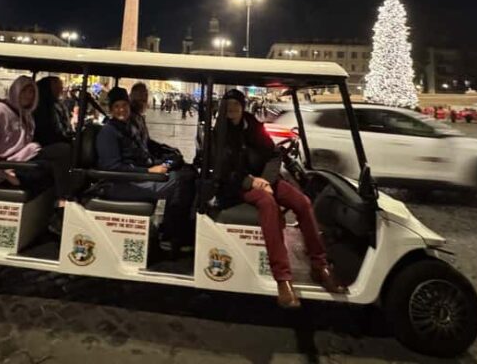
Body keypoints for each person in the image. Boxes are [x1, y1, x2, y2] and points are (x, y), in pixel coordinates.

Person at [213, 89, 346, 308]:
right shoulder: (220, 133)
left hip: (265, 180)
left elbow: (274, 154)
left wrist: (266, 180)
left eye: (236, 104)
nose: (232, 109)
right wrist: (252, 182)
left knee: (302, 202)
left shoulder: (253, 126)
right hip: (237, 185)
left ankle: (319, 264)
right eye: (229, 105)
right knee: (268, 204)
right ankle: (283, 278)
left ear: (243, 106)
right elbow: (223, 170)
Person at [96, 87, 195, 250]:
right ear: (111, 109)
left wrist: (166, 159)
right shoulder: (108, 132)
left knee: (187, 172)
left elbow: (144, 149)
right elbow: (112, 167)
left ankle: (174, 229)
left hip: (135, 176)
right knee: (180, 181)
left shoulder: (129, 126)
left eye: (124, 105)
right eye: (117, 107)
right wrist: (148, 172)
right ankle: (172, 236)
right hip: (120, 184)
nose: (122, 110)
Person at [0, 75, 71, 234]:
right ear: (15, 90)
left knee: (62, 161)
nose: (28, 96)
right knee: (62, 152)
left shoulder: (27, 114)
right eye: (24, 91)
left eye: (32, 92)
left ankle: (62, 207)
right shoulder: (0, 112)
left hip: (24, 161)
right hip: (8, 168)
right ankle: (61, 208)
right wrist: (4, 172)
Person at [129, 82, 183, 165]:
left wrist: (165, 149)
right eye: (141, 97)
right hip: (142, 163)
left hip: (146, 158)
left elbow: (147, 142)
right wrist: (155, 161)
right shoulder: (130, 118)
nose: (144, 99)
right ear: (133, 97)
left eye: (145, 95)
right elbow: (137, 148)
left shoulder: (139, 117)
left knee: (177, 159)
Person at [34, 76, 75, 146]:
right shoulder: (42, 105)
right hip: (47, 144)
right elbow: (53, 130)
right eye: (58, 86)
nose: (61, 89)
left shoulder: (59, 104)